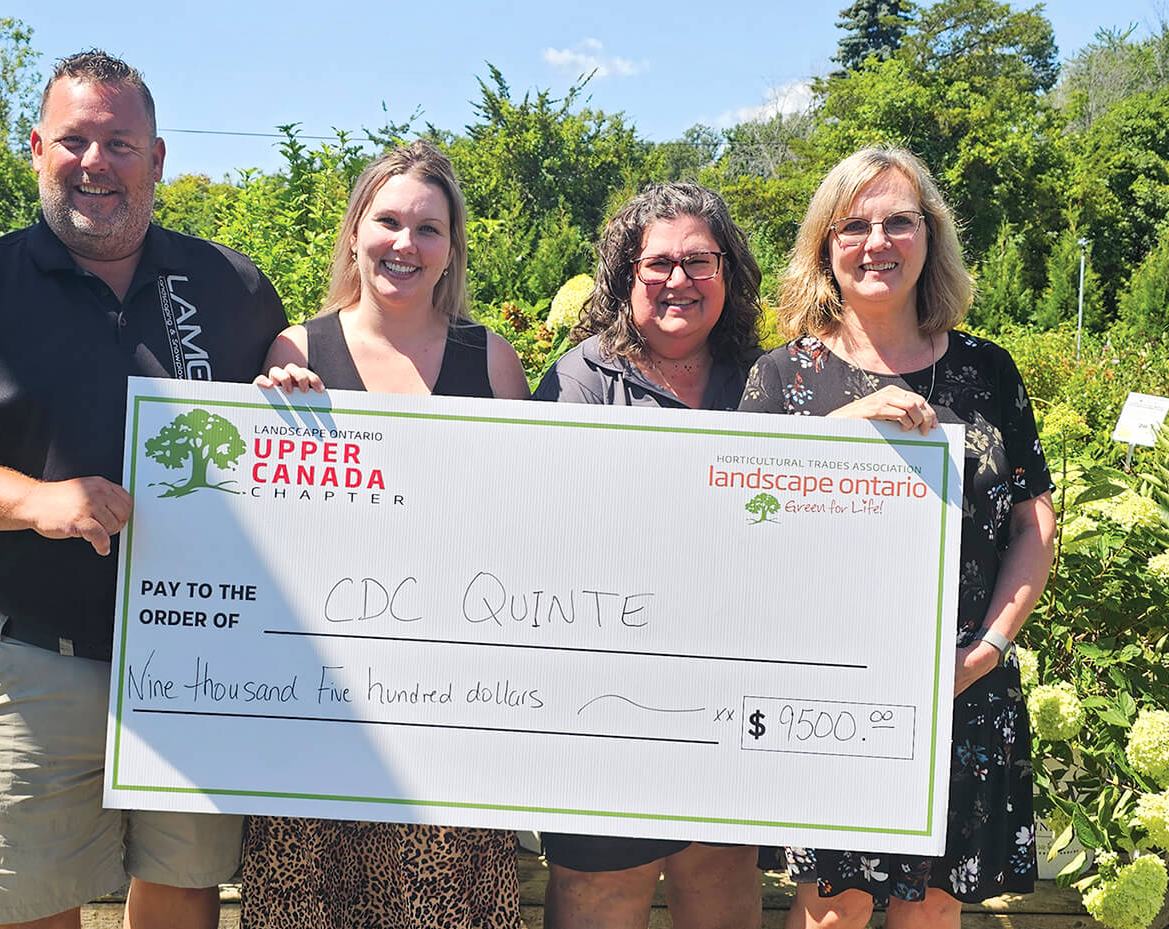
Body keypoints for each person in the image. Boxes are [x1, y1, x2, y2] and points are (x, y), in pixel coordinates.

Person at [0, 51, 287, 929]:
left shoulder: (231, 285)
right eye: (74, 141)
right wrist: (34, 501)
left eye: (120, 144)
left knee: (181, 898)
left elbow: (293, 382)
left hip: (194, 663)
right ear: (36, 149)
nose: (96, 163)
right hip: (31, 668)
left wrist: (292, 363)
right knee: (28, 908)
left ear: (158, 158)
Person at [739, 147, 1057, 929]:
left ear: (930, 237)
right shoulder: (784, 379)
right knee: (832, 915)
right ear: (826, 245)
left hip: (961, 683)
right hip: (831, 694)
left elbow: (1034, 522)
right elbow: (743, 522)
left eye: (898, 221)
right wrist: (837, 432)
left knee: (932, 913)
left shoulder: (989, 372)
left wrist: (983, 652)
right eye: (854, 224)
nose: (876, 240)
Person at [242, 140, 529, 929]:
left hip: (450, 703)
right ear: (357, 230)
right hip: (319, 700)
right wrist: (270, 414)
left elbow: (526, 530)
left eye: (428, 229)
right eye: (389, 221)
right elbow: (267, 520)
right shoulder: (297, 351)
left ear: (451, 249)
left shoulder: (494, 363)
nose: (405, 244)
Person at [532, 183, 764, 929]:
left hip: (732, 694)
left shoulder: (767, 383)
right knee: (604, 894)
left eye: (700, 261)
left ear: (729, 274)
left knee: (722, 883)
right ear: (624, 276)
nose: (678, 279)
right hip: (609, 702)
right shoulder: (579, 380)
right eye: (657, 262)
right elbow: (546, 533)